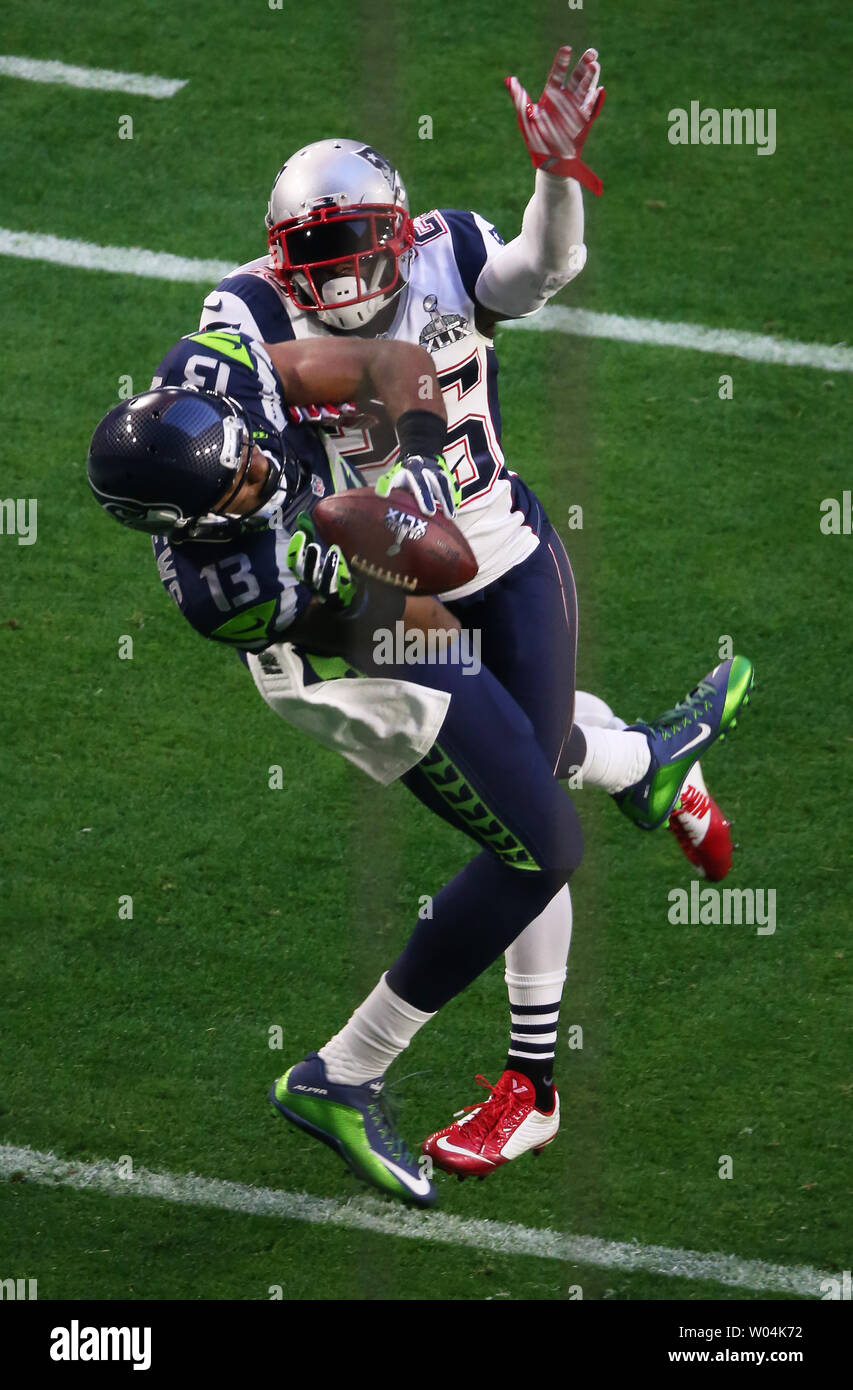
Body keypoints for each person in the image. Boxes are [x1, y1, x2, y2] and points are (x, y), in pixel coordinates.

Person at [194, 46, 737, 1170]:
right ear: (277, 248)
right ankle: (645, 763)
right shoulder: (243, 308)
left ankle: (528, 1084)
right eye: (317, 254)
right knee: (523, 819)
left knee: (526, 820)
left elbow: (542, 273)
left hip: (505, 556)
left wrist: (555, 174)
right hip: (391, 599)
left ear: (398, 233)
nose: (342, 277)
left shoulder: (447, 246)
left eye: (358, 247)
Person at [87, 325, 754, 1203]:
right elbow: (422, 622)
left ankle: (640, 765)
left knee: (532, 757)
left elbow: (387, 363)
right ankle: (343, 1075)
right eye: (240, 481)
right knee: (541, 848)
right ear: (189, 521)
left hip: (380, 600)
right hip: (368, 667)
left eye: (248, 449)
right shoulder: (236, 591)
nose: (261, 468)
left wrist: (420, 462)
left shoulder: (214, 377)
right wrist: (399, 537)